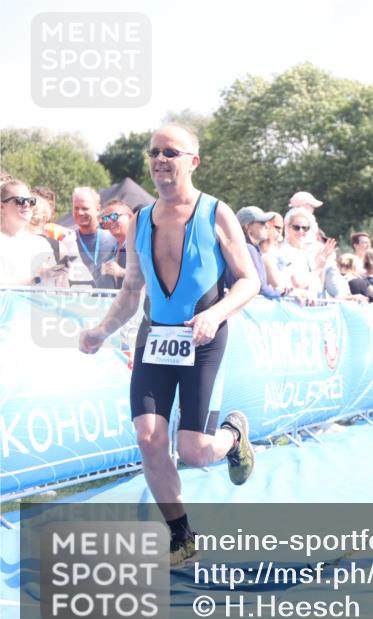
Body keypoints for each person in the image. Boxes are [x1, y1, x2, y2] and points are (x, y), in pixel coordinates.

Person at [78, 124, 260, 568]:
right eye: (154, 152)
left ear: (193, 161)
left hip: (204, 340)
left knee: (196, 453)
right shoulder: (140, 220)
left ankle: (233, 437)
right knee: (149, 438)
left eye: (171, 152)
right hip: (154, 339)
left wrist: (215, 314)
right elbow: (131, 291)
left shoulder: (217, 213)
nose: (160, 159)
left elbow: (250, 281)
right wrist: (101, 330)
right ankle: (181, 536)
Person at [0, 180, 63, 286]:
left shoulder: (41, 243)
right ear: (2, 207)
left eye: (31, 201)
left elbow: (53, 289)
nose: (26, 204)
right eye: (19, 200)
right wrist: (37, 278)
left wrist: (60, 275)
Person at [224, 206, 288, 300]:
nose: (267, 226)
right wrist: (279, 293)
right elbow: (260, 286)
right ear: (247, 226)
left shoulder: (247, 247)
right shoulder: (248, 248)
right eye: (262, 222)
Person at [276, 207, 336, 297]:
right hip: (292, 303)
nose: (301, 231)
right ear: (288, 228)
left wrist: (322, 264)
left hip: (311, 304)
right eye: (296, 227)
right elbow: (298, 284)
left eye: (305, 228)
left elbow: (319, 287)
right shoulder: (283, 252)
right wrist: (318, 269)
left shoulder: (306, 254)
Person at [68, 187, 119, 288]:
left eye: (85, 208)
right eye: (76, 208)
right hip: (81, 301)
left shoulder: (114, 237)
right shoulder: (69, 240)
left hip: (110, 301)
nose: (80, 212)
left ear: (98, 209)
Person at [97, 199, 133, 288]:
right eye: (106, 218)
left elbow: (152, 275)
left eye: (114, 216)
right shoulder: (112, 248)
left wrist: (121, 272)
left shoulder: (143, 242)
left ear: (130, 217)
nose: (109, 222)